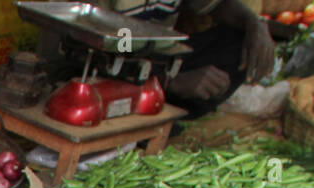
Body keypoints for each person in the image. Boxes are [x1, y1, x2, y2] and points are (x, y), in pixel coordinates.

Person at [110, 0, 278, 115]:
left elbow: (218, 5)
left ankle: (163, 105)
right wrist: (170, 81)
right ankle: (142, 104)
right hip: (105, 62)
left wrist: (254, 24)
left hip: (157, 58)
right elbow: (85, 45)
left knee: (239, 42)